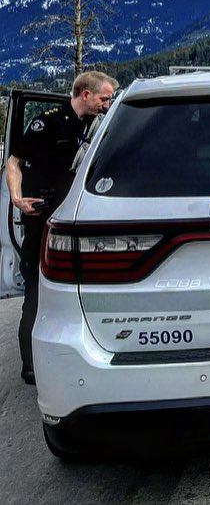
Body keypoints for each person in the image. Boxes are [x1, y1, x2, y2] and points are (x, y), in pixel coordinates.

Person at [5, 71, 117, 385]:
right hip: (41, 219)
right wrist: (16, 198)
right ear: (86, 94)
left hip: (73, 220)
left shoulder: (95, 126)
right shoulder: (48, 123)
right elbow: (13, 163)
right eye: (103, 98)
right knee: (36, 294)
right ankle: (31, 366)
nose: (106, 105)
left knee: (73, 294)